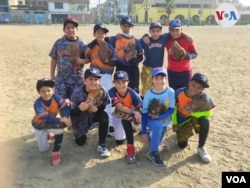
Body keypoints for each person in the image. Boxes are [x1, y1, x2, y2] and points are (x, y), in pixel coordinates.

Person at [140, 21, 193, 98]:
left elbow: (175, 31)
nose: (155, 33)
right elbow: (136, 42)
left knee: (158, 88)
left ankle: (156, 104)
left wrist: (186, 36)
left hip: (158, 69)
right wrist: (144, 36)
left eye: (158, 31)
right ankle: (144, 105)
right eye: (153, 31)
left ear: (161, 31)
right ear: (149, 31)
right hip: (147, 68)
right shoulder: (145, 41)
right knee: (145, 89)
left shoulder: (164, 38)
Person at [171, 73, 215, 163]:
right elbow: (173, 110)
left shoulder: (203, 97)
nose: (195, 89)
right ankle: (184, 132)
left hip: (195, 117)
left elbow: (209, 112)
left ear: (203, 89)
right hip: (182, 119)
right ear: (189, 82)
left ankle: (201, 147)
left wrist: (193, 113)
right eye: (193, 85)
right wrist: (174, 122)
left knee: (205, 121)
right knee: (182, 145)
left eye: (199, 87)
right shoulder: (179, 93)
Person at [70, 68, 111, 158]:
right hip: (81, 119)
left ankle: (102, 145)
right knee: (80, 142)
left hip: (93, 116)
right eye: (90, 79)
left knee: (104, 116)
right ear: (84, 80)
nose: (93, 82)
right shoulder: (77, 93)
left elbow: (104, 105)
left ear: (99, 80)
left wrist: (97, 109)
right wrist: (79, 109)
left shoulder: (102, 90)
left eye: (96, 79)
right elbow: (71, 113)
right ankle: (79, 131)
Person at [32, 78, 72, 166]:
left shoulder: (56, 97)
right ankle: (48, 134)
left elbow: (67, 106)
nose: (46, 93)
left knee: (60, 129)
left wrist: (65, 116)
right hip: (39, 125)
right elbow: (46, 117)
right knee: (43, 149)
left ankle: (56, 153)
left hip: (50, 124)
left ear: (53, 90)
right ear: (39, 92)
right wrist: (62, 119)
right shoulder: (37, 103)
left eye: (48, 90)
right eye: (43, 91)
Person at [141, 67, 175, 167]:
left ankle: (152, 136)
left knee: (158, 137)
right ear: (152, 79)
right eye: (156, 78)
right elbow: (144, 114)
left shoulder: (170, 92)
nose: (159, 81)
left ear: (166, 79)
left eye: (162, 78)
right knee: (158, 127)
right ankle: (152, 153)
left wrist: (160, 116)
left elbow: (171, 109)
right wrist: (143, 131)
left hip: (163, 117)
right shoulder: (148, 94)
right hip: (151, 119)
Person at [49, 17, 89, 99]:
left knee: (75, 103)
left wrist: (81, 61)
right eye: (68, 28)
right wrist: (52, 74)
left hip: (77, 78)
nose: (70, 30)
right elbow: (54, 59)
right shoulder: (59, 43)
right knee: (60, 102)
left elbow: (88, 59)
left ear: (77, 29)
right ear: (64, 30)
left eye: (73, 28)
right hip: (61, 77)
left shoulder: (82, 44)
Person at [88, 24, 117, 138]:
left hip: (106, 76)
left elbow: (115, 62)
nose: (100, 34)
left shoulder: (109, 46)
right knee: (93, 98)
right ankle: (95, 120)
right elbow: (83, 55)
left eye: (103, 33)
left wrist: (106, 61)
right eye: (98, 32)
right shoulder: (91, 47)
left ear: (105, 35)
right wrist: (88, 46)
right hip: (94, 77)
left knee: (108, 100)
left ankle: (111, 125)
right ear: (94, 34)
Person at [108, 71, 142, 164]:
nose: (121, 85)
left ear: (128, 82)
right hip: (119, 113)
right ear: (113, 83)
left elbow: (140, 107)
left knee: (127, 120)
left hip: (132, 114)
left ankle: (130, 148)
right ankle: (131, 126)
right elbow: (119, 107)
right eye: (118, 82)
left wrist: (137, 114)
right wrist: (133, 111)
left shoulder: (132, 92)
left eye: (123, 82)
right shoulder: (112, 91)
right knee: (119, 141)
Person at [109, 16, 143, 94]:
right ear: (121, 26)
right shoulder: (117, 38)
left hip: (133, 69)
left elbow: (140, 56)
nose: (126, 28)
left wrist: (134, 60)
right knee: (119, 90)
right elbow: (105, 41)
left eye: (128, 26)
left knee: (134, 90)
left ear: (132, 27)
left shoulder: (135, 40)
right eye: (124, 26)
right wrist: (112, 57)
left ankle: (135, 105)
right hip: (121, 67)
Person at [166, 19, 198, 91]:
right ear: (169, 30)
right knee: (174, 92)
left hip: (185, 72)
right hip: (172, 72)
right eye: (172, 30)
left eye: (177, 30)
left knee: (186, 91)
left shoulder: (187, 40)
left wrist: (188, 56)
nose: (175, 33)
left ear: (181, 29)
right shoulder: (167, 39)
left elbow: (195, 53)